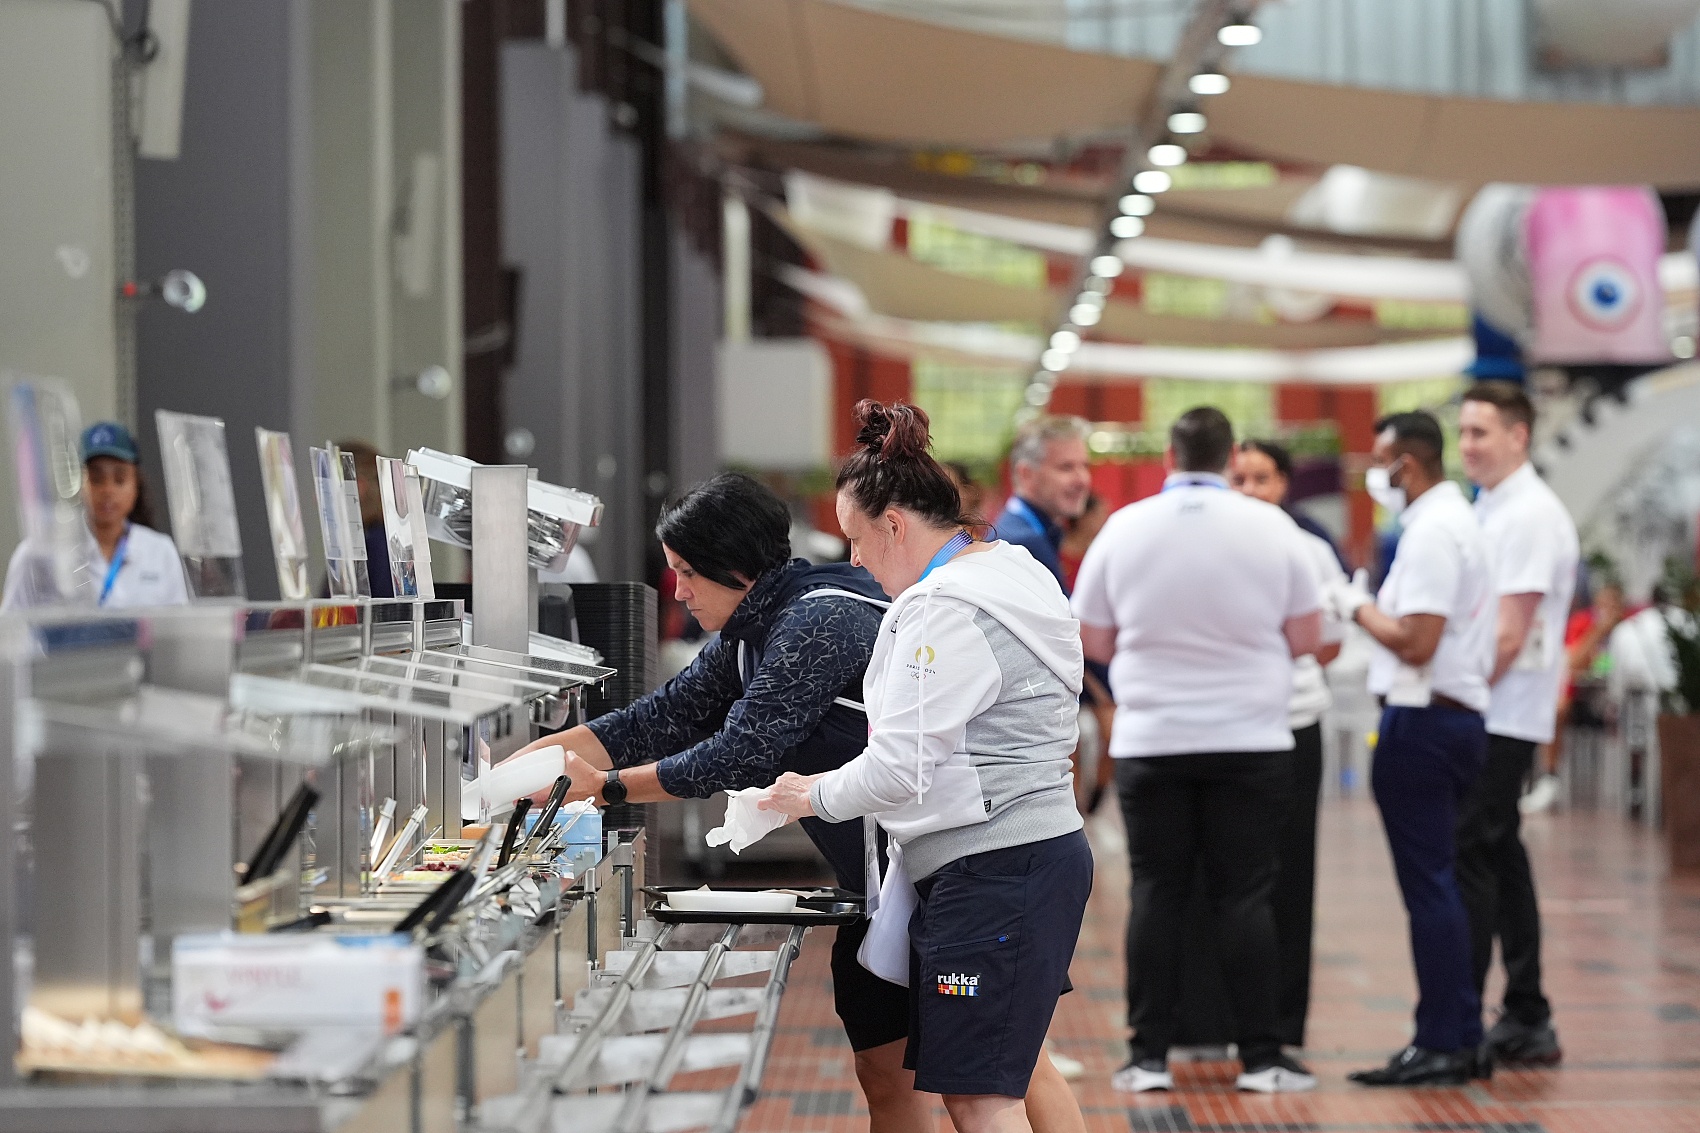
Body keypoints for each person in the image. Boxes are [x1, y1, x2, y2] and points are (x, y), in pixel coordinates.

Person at [495, 471, 1080, 1133]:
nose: (678, 591)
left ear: (735, 569)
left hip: (965, 873)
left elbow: (737, 752)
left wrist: (610, 788)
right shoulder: (754, 626)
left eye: (687, 573)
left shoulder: (818, 617)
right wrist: (504, 779)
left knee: (1003, 1074)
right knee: (891, 1070)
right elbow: (655, 720)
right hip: (888, 882)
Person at [763, 400, 1092, 1133]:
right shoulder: (1014, 572)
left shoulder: (943, 608)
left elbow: (898, 769)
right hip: (1030, 855)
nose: (853, 559)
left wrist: (810, 793)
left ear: (895, 525)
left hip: (995, 866)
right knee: (996, 1080)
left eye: (856, 538)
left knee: (981, 1096)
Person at [1072, 407, 1322, 1095]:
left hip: (1154, 737)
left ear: (1170, 454)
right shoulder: (1273, 527)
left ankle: (1148, 1055)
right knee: (1247, 896)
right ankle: (1264, 1056)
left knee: (1157, 890)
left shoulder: (1125, 527)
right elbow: (1308, 636)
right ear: (1229, 455)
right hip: (1252, 738)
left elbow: (1090, 638)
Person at [1334, 411, 1497, 1087]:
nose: (1376, 475)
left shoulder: (1433, 529)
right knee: (1446, 883)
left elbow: (1417, 639)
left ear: (1407, 463)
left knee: (1430, 887)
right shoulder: (1460, 520)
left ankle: (1441, 1041)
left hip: (1424, 723)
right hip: (1453, 720)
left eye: (1381, 461)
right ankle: (1460, 1032)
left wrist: (1353, 606)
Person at [1455, 382, 1576, 1067]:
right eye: (1465, 432)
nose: (1469, 445)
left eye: (1481, 432)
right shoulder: (1495, 505)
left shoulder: (1528, 513)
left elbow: (1509, 633)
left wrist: (1459, 699)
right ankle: (1525, 1009)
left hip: (1500, 712)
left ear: (1519, 436)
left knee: (1475, 851)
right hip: (1490, 707)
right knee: (1498, 852)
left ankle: (1471, 1015)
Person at [1231, 438, 1348, 1049]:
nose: (1250, 490)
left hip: (1294, 722)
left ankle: (1283, 1023)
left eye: (1263, 479)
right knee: (1227, 877)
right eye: (1240, 478)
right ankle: (1223, 1018)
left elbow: (1332, 640)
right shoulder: (1212, 547)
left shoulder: (1311, 550)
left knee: (1290, 876)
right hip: (1226, 728)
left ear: (1284, 486)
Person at [2, 421, 190, 610]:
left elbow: (178, 632)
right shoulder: (40, 552)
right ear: (78, 484)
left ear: (136, 487)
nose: (107, 490)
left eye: (120, 479)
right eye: (96, 479)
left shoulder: (160, 552)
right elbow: (10, 630)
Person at [994, 416, 1092, 588]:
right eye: (1066, 467)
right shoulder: (1022, 545)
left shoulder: (1027, 532)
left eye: (1085, 466)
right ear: (1026, 474)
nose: (1082, 480)